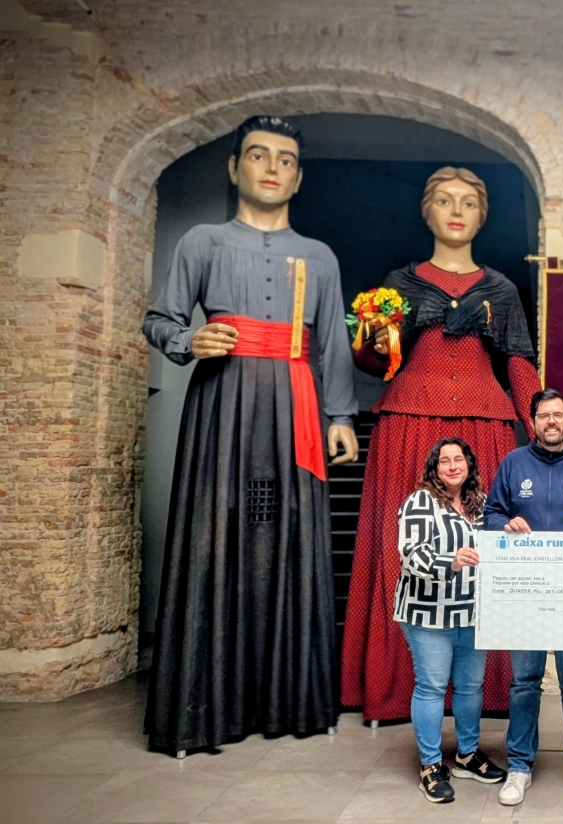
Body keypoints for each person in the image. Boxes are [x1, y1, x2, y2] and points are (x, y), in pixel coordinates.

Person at [142, 115, 358, 756]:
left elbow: (333, 343)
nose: (272, 168)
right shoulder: (202, 241)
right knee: (213, 536)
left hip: (296, 407)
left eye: (285, 159)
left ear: (298, 177)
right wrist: (190, 340)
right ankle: (200, 708)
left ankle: (291, 704)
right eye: (259, 155)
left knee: (289, 537)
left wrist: (341, 417)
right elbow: (160, 319)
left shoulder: (319, 256)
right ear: (235, 167)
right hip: (222, 403)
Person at [341, 167, 540, 725]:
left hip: (483, 424)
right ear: (426, 211)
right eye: (445, 200)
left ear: (483, 215)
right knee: (400, 547)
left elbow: (518, 364)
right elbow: (376, 364)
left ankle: (486, 690)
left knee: (486, 546)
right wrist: (373, 334)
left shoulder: (501, 289)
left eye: (469, 202)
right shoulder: (399, 283)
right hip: (408, 420)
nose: (457, 210)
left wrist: (544, 428)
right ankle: (395, 690)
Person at [483, 389, 563, 806]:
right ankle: (520, 766)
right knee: (524, 683)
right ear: (534, 421)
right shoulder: (513, 463)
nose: (552, 422)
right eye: (544, 415)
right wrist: (505, 524)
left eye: (558, 415)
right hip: (525, 595)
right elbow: (491, 514)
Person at [395, 438, 506, 803]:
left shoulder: (482, 503)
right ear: (435, 468)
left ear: (469, 465)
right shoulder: (419, 502)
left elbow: (498, 543)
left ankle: (467, 755)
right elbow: (411, 555)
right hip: (428, 613)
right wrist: (451, 562)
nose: (453, 466)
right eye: (445, 461)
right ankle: (430, 765)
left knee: (470, 687)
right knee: (431, 687)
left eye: (459, 459)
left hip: (473, 613)